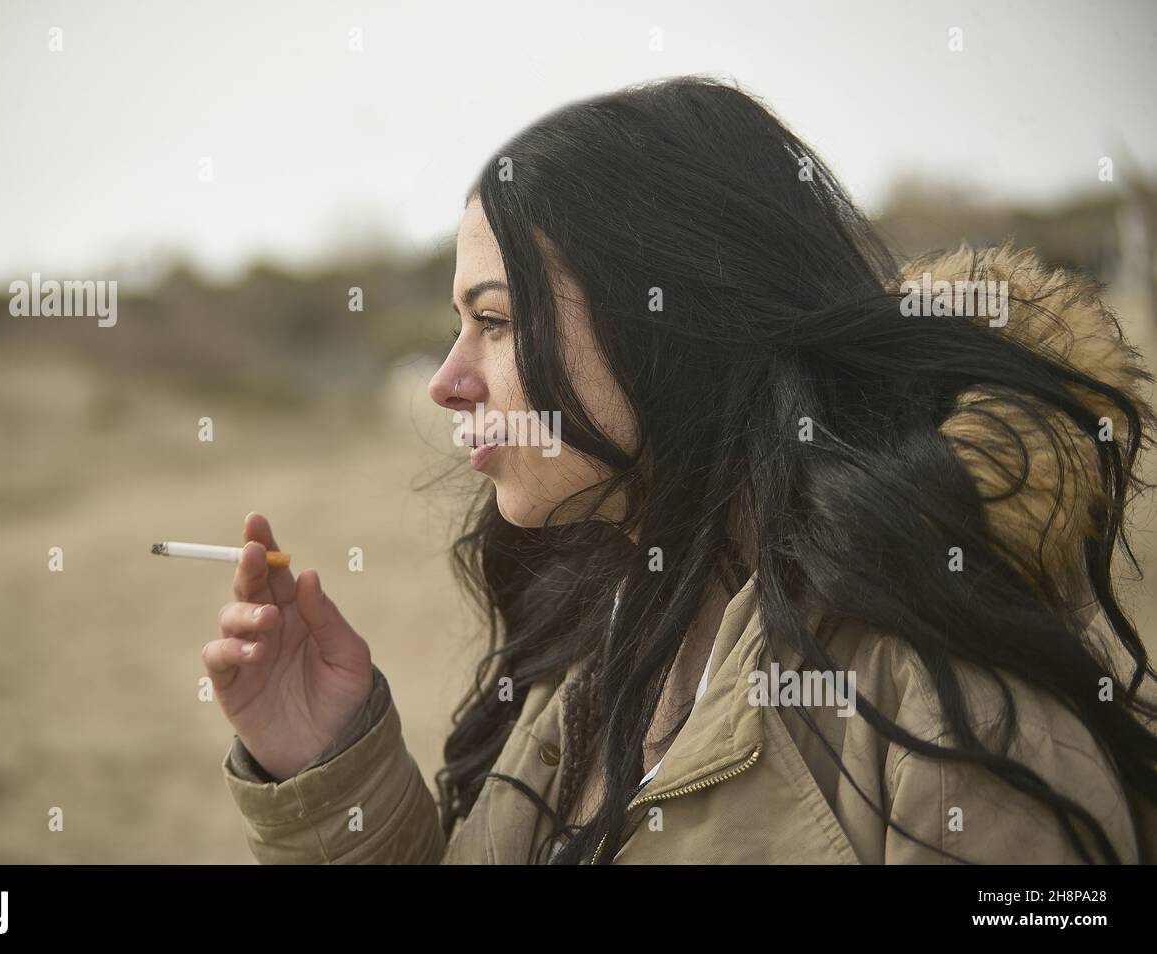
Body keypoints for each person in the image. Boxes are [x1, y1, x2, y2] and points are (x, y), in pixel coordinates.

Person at [202, 75, 1157, 864]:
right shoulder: (598, 648)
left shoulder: (945, 712)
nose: (447, 384)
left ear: (669, 320)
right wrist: (329, 766)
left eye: (495, 321)